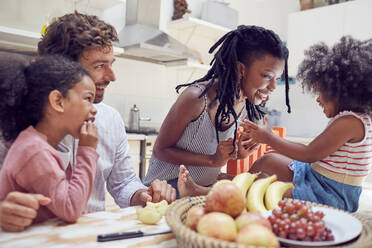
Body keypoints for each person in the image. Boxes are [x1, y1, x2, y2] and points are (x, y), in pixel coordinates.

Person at [0, 12, 175, 232]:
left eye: (111, 64)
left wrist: (142, 195)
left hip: (90, 237)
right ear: (65, 69)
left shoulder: (110, 120)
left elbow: (122, 182)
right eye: (100, 65)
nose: (112, 76)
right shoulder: (15, 120)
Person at [144, 25, 291, 198]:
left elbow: (216, 155)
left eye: (277, 79)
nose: (274, 86)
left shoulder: (242, 104)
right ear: (241, 69)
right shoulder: (196, 98)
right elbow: (160, 150)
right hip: (163, 193)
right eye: (267, 76)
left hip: (202, 192)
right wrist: (213, 160)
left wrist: (237, 153)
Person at [242, 36, 372, 212]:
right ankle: (241, 188)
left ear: (341, 92)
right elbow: (311, 153)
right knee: (268, 160)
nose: (318, 99)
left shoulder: (350, 122)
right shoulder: (351, 119)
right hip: (317, 177)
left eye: (321, 92)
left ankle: (241, 198)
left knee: (272, 195)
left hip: (330, 193)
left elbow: (309, 153)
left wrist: (268, 137)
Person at [0, 55, 98, 224]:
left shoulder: (41, 145)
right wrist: (87, 151)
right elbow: (70, 208)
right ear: (58, 101)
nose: (94, 110)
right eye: (88, 99)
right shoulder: (34, 150)